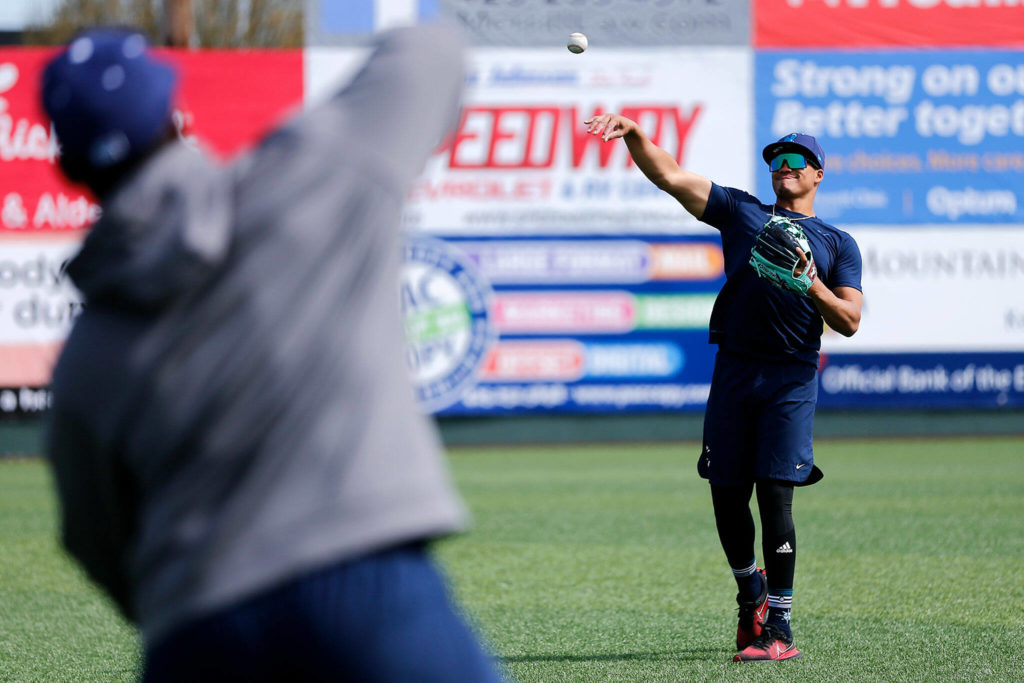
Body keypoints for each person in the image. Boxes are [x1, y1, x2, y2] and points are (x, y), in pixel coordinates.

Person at [42, 25, 505, 681]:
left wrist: (186, 602)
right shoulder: (309, 176)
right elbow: (433, 52)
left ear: (68, 169)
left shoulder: (85, 358)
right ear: (177, 117)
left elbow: (94, 537)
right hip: (360, 586)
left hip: (195, 630)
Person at [585, 115, 862, 662]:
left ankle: (779, 630)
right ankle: (750, 590)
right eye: (775, 161)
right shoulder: (744, 213)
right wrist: (637, 134)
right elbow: (670, 176)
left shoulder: (837, 242)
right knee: (726, 493)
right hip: (735, 370)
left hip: (790, 376)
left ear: (818, 175)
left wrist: (811, 285)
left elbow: (850, 320)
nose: (783, 168)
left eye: (794, 161)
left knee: (775, 495)